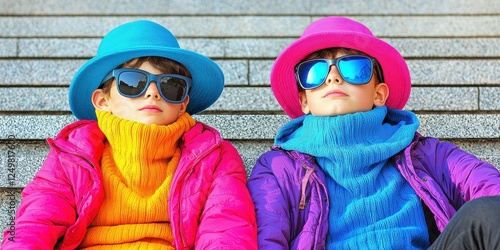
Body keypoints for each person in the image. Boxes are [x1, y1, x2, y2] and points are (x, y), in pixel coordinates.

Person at [247, 16, 500, 249]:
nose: (333, 77)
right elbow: (267, 239)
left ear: (379, 94)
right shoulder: (278, 166)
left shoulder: (426, 153)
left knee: (487, 214)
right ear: (304, 101)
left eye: (353, 68)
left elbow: (486, 185)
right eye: (314, 72)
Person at [2, 20, 257, 249]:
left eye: (170, 86)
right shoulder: (72, 155)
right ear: (102, 100)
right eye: (133, 82)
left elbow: (226, 228)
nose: (152, 93)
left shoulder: (214, 155)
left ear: (183, 103)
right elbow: (36, 221)